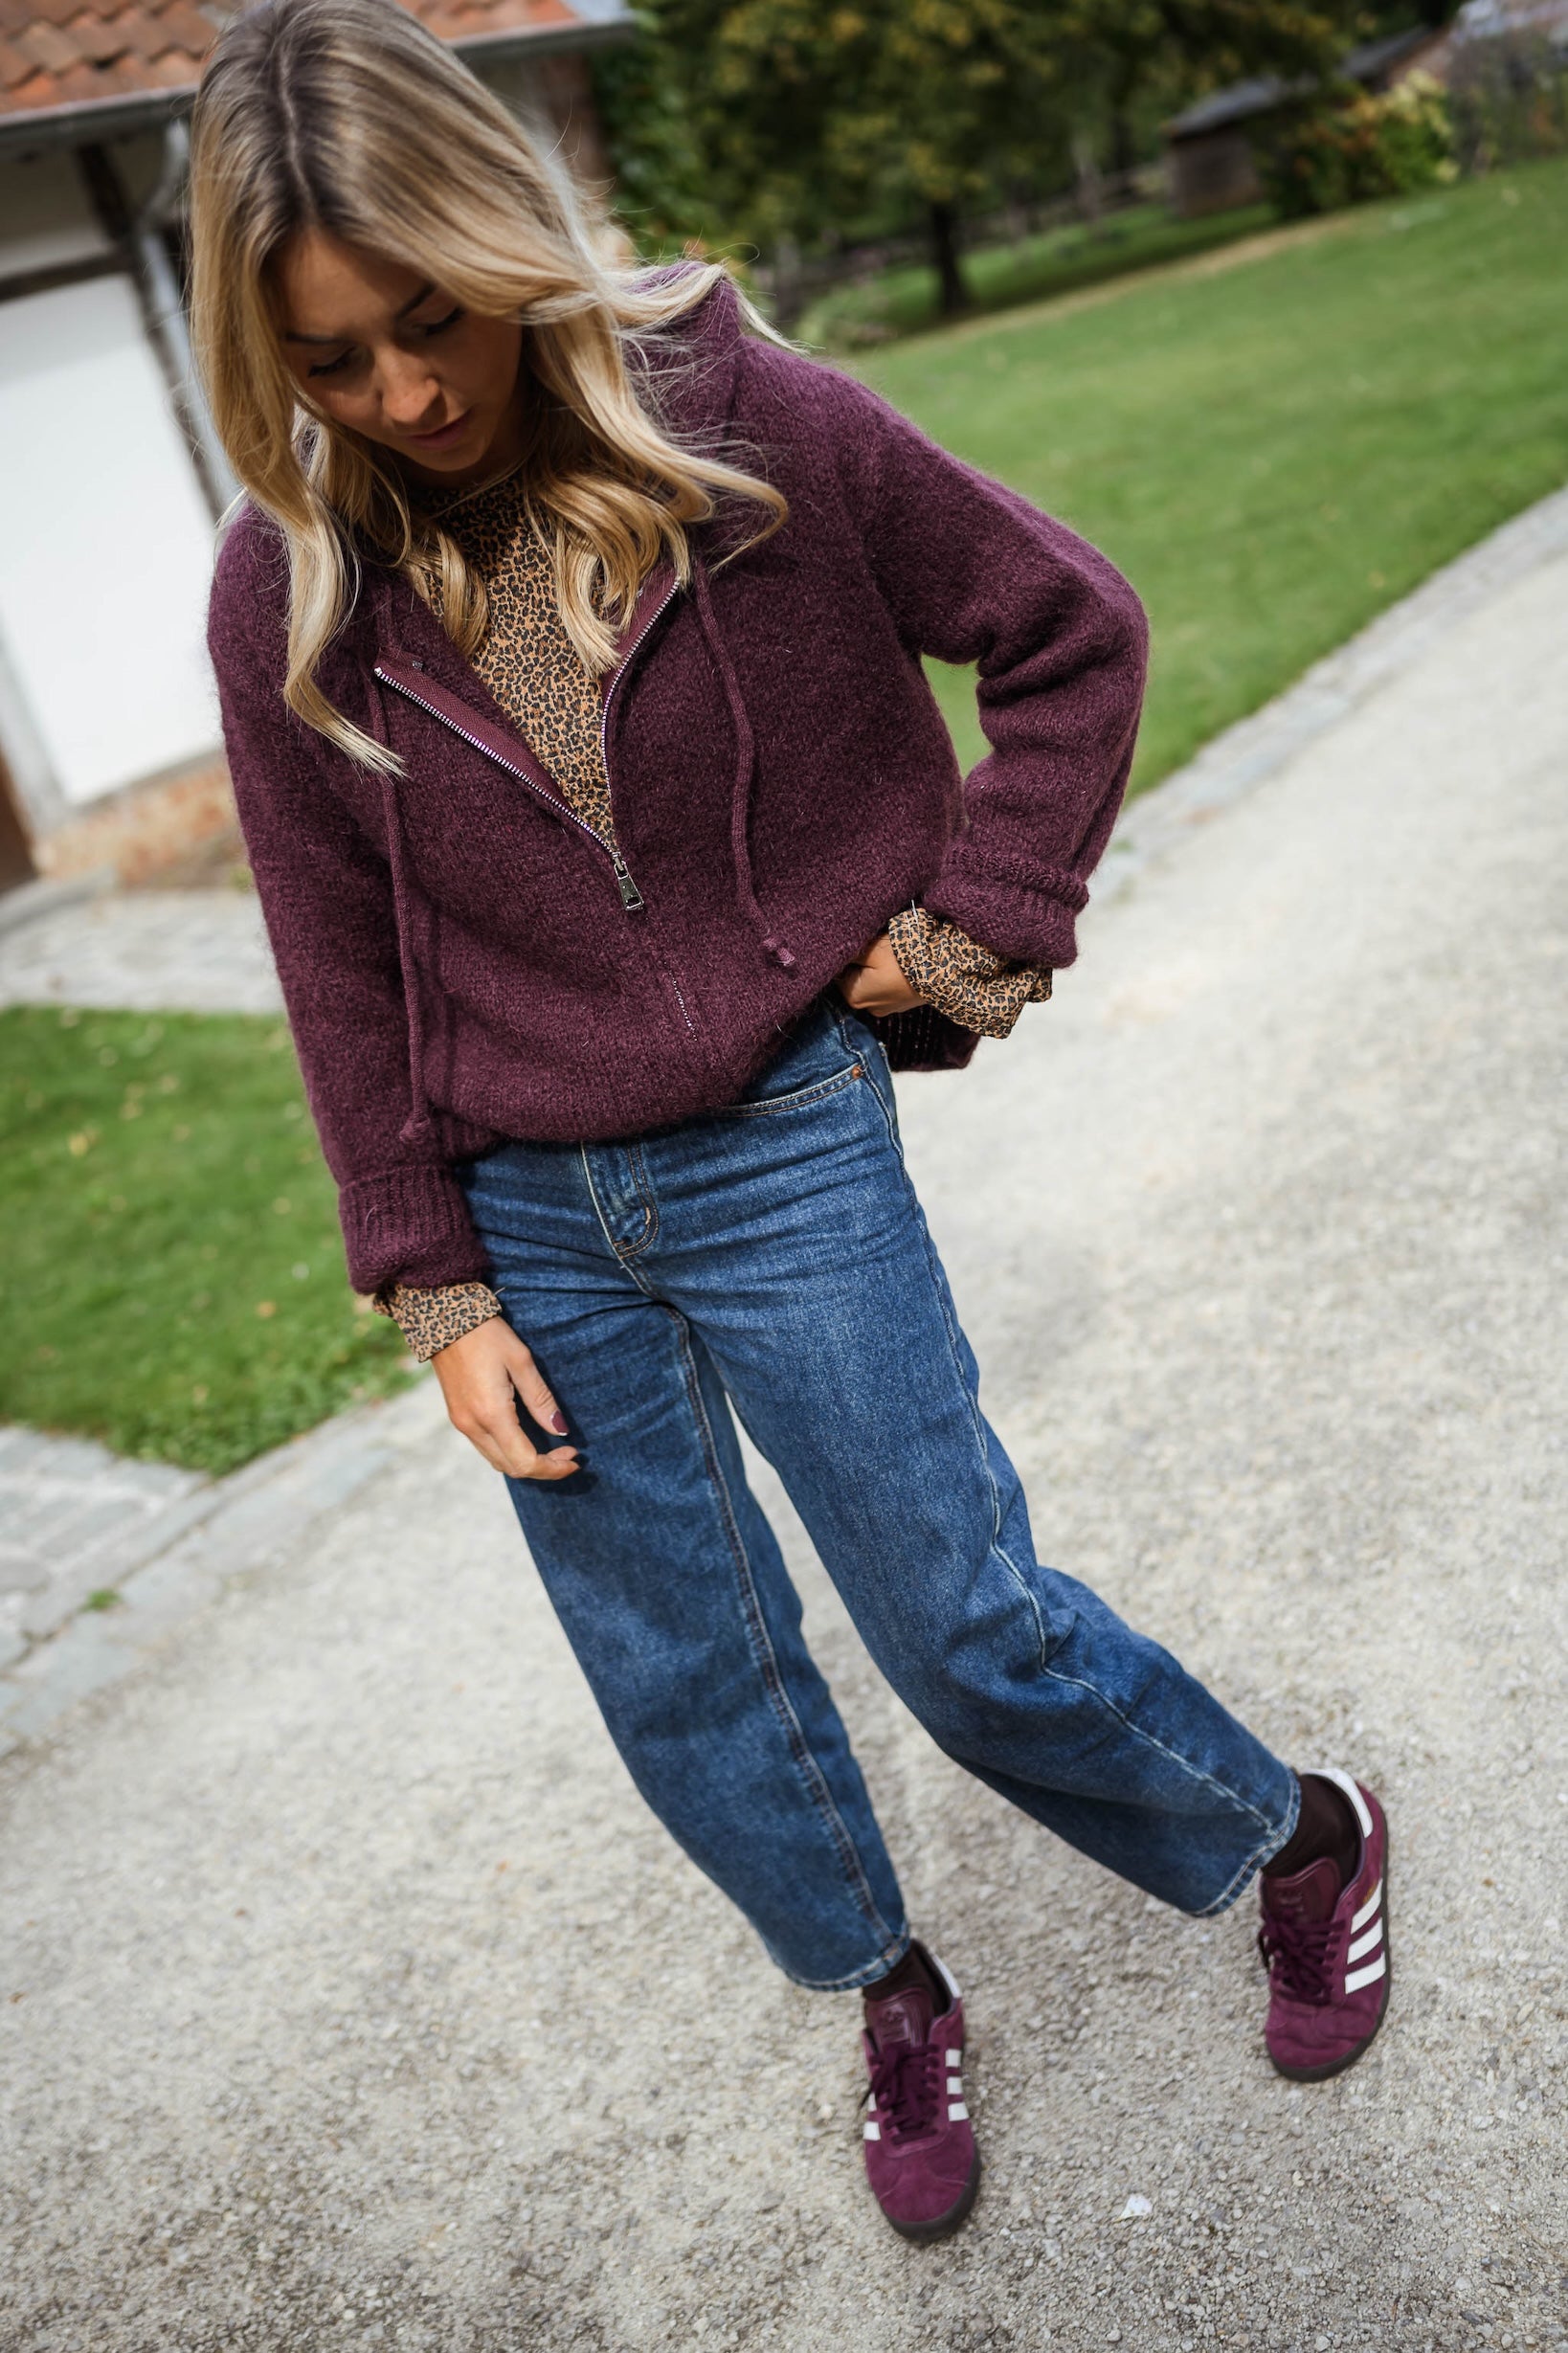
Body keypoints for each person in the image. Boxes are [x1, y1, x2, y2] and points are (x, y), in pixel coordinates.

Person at [191, 0, 1391, 2245]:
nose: (404, 394)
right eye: (330, 362)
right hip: (528, 1213)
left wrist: (974, 928)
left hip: (782, 1140)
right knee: (687, 1677)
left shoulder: (751, 432)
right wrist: (430, 1276)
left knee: (961, 1624)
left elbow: (1069, 628)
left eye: (429, 319)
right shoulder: (294, 583)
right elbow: (337, 962)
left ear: (503, 239)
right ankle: (884, 1982)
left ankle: (1294, 1835)